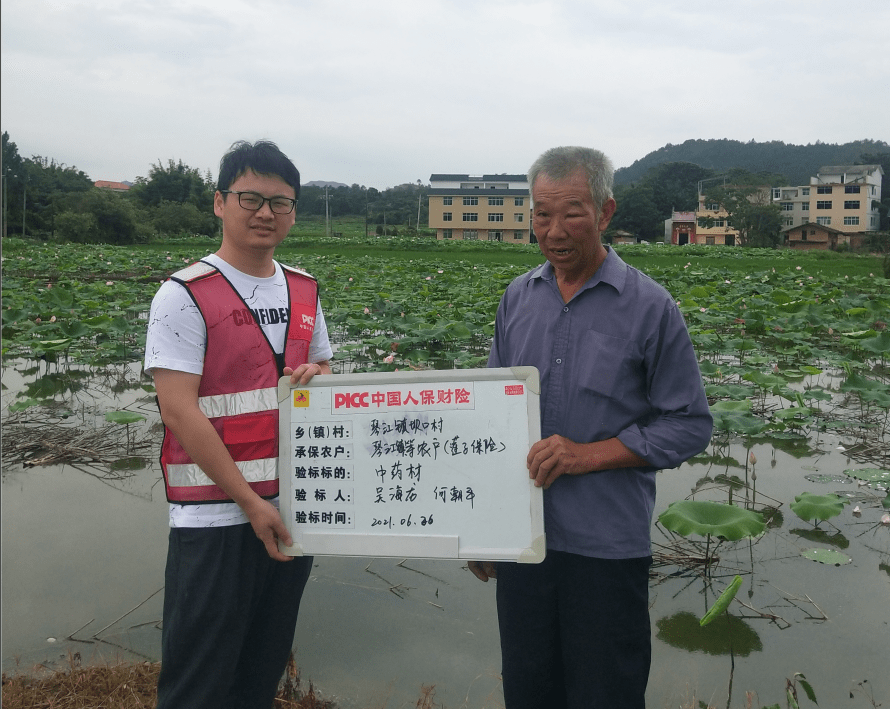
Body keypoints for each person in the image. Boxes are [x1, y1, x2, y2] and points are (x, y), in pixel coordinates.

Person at [469, 146, 713, 708]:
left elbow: (689, 424)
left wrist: (589, 455)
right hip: (524, 545)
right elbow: (490, 420)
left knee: (606, 694)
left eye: (571, 213)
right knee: (528, 692)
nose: (554, 231)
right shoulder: (517, 300)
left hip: (606, 550)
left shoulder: (651, 307)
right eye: (541, 214)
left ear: (605, 212)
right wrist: (484, 528)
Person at [144, 140, 333, 709]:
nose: (265, 212)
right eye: (250, 198)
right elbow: (178, 409)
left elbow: (323, 368)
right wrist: (250, 503)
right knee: (199, 682)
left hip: (293, 508)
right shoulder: (183, 295)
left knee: (260, 671)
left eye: (280, 202)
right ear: (220, 202)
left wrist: (318, 375)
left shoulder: (304, 289)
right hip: (215, 515)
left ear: (293, 211)